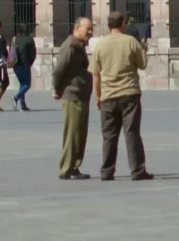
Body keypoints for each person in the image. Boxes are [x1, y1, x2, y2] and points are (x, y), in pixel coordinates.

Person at [89, 11, 152, 181]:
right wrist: (143, 49)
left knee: (109, 135)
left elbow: (96, 74)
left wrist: (98, 96)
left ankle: (107, 171)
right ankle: (138, 170)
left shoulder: (100, 45)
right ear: (123, 23)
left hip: (108, 95)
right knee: (132, 133)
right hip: (129, 93)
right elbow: (142, 64)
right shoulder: (130, 41)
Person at [51, 17, 95, 180]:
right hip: (73, 95)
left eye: (91, 29)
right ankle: (66, 169)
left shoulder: (78, 46)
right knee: (73, 133)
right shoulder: (70, 46)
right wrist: (57, 90)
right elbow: (58, 71)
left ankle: (74, 166)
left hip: (81, 95)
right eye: (87, 29)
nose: (90, 33)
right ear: (77, 28)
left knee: (80, 134)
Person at [12, 24, 38, 111]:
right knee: (27, 85)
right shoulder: (30, 40)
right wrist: (30, 62)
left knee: (22, 84)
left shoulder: (15, 39)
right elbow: (33, 53)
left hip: (15, 64)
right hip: (25, 64)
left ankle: (23, 105)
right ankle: (16, 97)